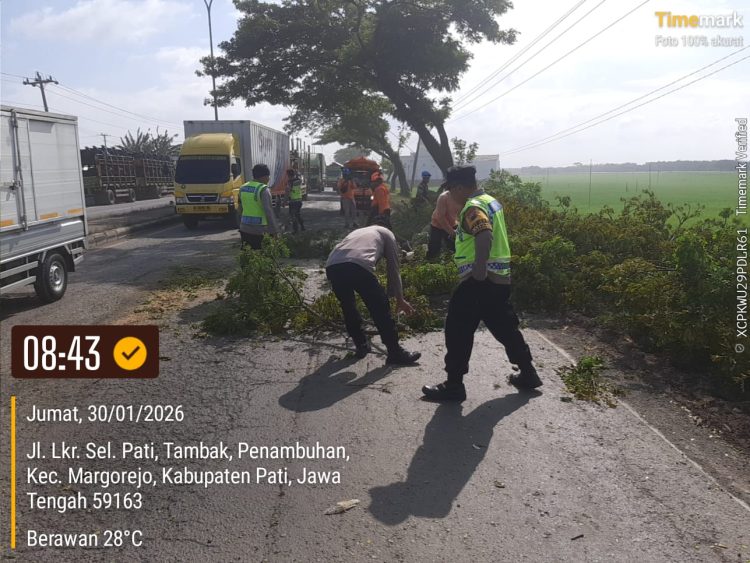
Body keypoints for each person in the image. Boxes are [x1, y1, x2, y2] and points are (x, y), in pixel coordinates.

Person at [422, 165, 541, 402]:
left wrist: (478, 270)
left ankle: (454, 385)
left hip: (479, 281)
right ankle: (528, 373)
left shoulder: (472, 207)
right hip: (499, 280)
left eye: (450, 190)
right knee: (505, 327)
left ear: (458, 188)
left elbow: (484, 233)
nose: (450, 195)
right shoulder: (491, 201)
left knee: (458, 328)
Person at [326, 224, 421, 365]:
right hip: (357, 266)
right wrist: (399, 299)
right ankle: (395, 352)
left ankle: (361, 345)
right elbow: (393, 270)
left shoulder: (360, 232)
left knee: (348, 307)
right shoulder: (388, 235)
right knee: (380, 308)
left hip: (332, 265)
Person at [238, 163, 280, 249]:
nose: (269, 179)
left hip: (244, 229)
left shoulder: (242, 188)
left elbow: (239, 209)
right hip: (260, 231)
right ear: (264, 176)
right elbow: (269, 212)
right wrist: (274, 231)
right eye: (268, 176)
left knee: (249, 255)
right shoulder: (263, 189)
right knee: (264, 255)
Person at [426, 188, 460, 260]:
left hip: (453, 223)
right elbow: (440, 217)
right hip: (437, 225)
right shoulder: (443, 197)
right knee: (434, 248)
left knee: (455, 247)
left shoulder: (463, 197)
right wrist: (451, 232)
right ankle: (430, 262)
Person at [286, 168, 305, 234]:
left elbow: (287, 191)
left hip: (293, 201)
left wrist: (285, 201)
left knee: (293, 215)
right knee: (297, 215)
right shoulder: (299, 180)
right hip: (299, 201)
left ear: (288, 175)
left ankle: (295, 230)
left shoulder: (290, 182)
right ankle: (302, 226)